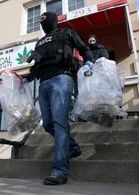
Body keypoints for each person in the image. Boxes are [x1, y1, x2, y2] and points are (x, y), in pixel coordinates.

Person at [24, 12, 93, 185]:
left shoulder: (66, 32)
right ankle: (73, 147)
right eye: (42, 23)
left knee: (60, 123)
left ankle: (60, 171)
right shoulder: (40, 42)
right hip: (43, 83)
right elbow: (38, 65)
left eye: (46, 21)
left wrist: (89, 61)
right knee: (47, 124)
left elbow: (83, 48)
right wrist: (26, 78)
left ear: (54, 21)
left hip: (62, 78)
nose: (43, 24)